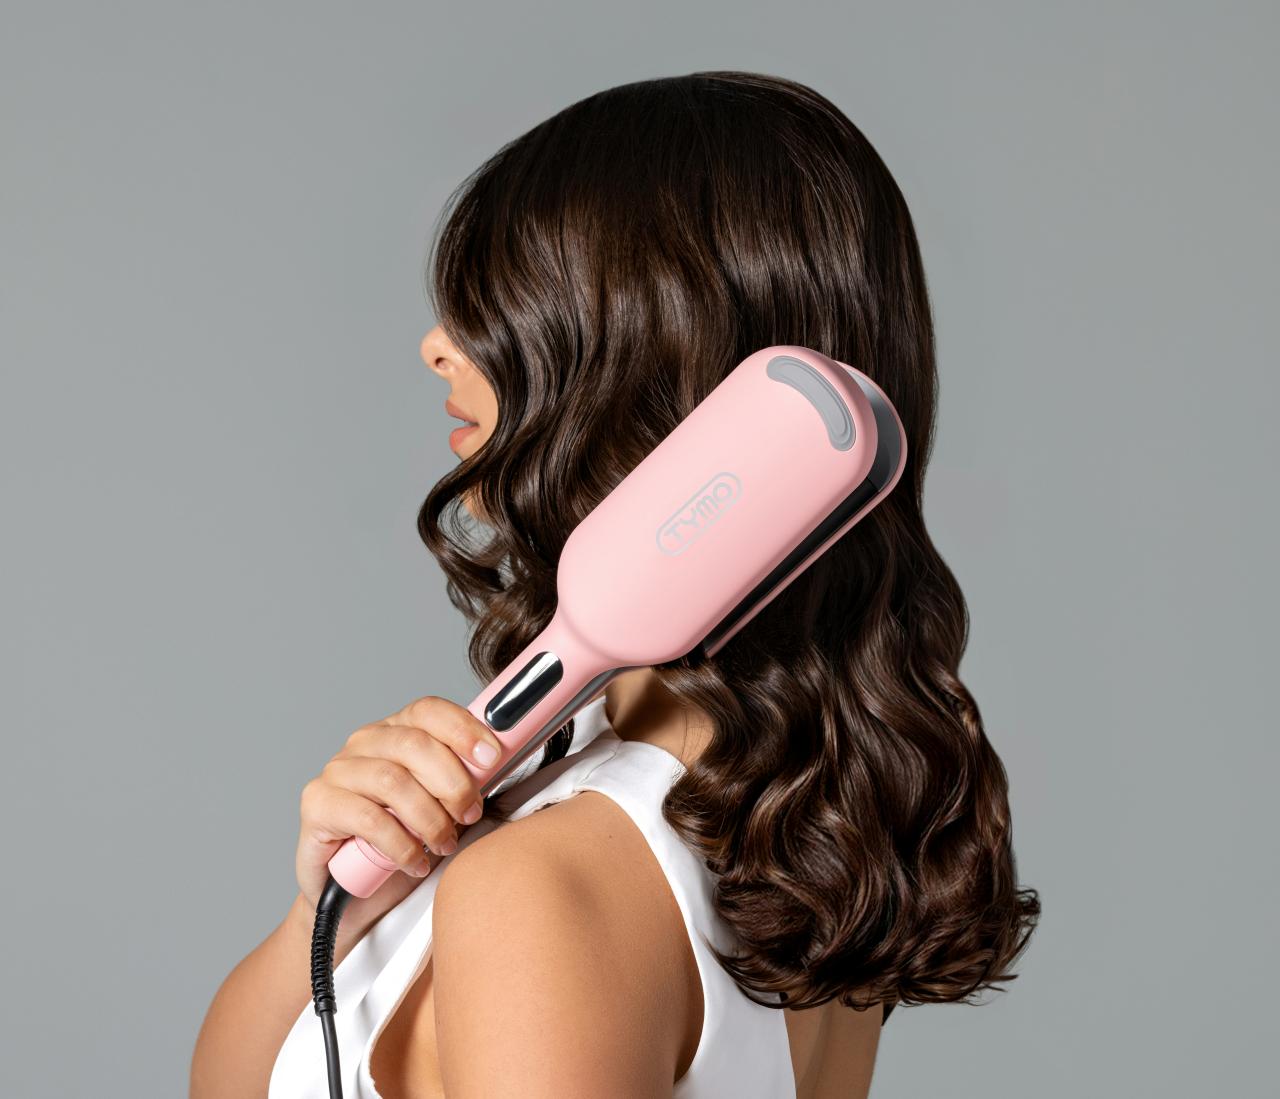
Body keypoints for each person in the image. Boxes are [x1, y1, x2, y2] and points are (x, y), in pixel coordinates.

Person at [191, 70, 1040, 1099]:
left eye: (502, 305)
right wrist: (323, 917)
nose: (435, 345)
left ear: (646, 357)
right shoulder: (793, 822)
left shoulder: (551, 883)